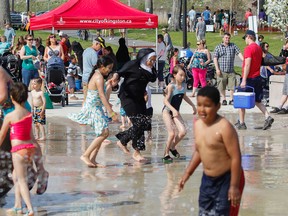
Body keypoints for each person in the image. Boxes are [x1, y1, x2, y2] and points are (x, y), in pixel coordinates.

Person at [179, 86, 245, 216]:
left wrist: (234, 186)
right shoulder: (198, 125)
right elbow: (200, 150)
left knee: (222, 213)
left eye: (207, 106)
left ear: (217, 106)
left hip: (228, 178)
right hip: (208, 180)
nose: (202, 110)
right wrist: (187, 173)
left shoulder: (224, 127)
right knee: (204, 212)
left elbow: (236, 157)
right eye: (199, 105)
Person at [0, 67, 49, 196]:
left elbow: (3, 95)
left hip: (17, 109)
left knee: (28, 140)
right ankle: (31, 173)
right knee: (19, 144)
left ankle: (41, 171)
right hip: (9, 110)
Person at [68, 56, 118, 168]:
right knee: (104, 132)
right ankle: (85, 155)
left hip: (96, 106)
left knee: (102, 133)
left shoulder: (98, 75)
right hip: (93, 108)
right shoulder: (99, 77)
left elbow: (99, 92)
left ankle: (93, 159)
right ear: (101, 66)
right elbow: (101, 94)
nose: (109, 70)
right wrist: (111, 113)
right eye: (108, 68)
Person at [112, 48, 157, 162]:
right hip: (127, 97)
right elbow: (119, 72)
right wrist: (115, 79)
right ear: (144, 58)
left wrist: (145, 92)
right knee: (139, 123)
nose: (152, 63)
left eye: (154, 60)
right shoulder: (132, 65)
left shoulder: (150, 70)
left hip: (140, 97)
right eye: (151, 60)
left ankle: (128, 144)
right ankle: (130, 147)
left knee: (145, 122)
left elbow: (151, 79)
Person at [0, 82, 36, 216]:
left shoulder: (10, 116)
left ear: (12, 98)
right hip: (29, 149)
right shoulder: (28, 114)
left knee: (21, 180)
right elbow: (32, 136)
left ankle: (30, 208)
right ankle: (18, 206)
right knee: (16, 176)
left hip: (18, 151)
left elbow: (2, 135)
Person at [235, 30, 274, 130]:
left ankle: (242, 123)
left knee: (241, 99)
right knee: (257, 100)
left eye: (245, 38)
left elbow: (247, 64)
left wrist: (244, 80)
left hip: (249, 78)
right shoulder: (258, 48)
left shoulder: (249, 48)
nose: (245, 40)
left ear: (249, 37)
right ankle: (267, 116)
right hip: (258, 77)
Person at [162, 65, 196, 163]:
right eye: (180, 75)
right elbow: (165, 101)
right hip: (167, 111)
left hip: (175, 112)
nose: (183, 77)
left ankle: (172, 147)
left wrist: (193, 106)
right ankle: (166, 154)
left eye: (184, 76)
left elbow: (184, 96)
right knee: (172, 133)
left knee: (183, 132)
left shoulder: (184, 86)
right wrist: (173, 110)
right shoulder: (171, 86)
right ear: (174, 75)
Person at [214, 33, 244, 105]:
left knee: (232, 85)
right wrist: (217, 69)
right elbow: (215, 58)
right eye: (226, 38)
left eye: (228, 38)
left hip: (231, 70)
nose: (227, 39)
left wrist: (244, 60)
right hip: (221, 70)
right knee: (221, 85)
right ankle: (224, 99)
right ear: (223, 38)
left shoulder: (233, 46)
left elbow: (239, 53)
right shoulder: (218, 47)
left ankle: (231, 99)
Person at [82, 36, 106, 103]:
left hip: (85, 77)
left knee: (85, 99)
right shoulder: (93, 53)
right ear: (96, 44)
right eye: (100, 46)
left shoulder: (86, 50)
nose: (100, 48)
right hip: (91, 78)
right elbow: (96, 65)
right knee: (91, 100)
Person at [270, 40, 288, 114]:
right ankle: (280, 106)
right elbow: (281, 57)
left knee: (286, 91)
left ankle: (285, 107)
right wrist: (284, 49)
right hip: (287, 72)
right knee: (285, 91)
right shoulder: (286, 52)